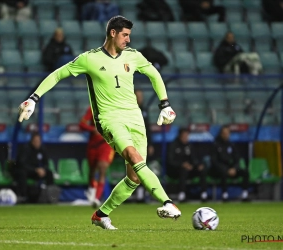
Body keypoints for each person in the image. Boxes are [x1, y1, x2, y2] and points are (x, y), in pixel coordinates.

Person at [18, 15, 181, 230]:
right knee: (133, 156)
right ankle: (167, 202)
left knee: (134, 178)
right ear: (112, 33)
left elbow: (154, 74)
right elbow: (58, 74)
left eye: (129, 35)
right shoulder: (90, 58)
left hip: (135, 118)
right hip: (109, 119)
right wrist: (33, 98)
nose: (128, 40)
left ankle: (100, 214)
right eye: (125, 35)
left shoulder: (133, 56)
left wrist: (165, 104)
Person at [79, 106, 115, 207]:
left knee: (102, 169)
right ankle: (92, 191)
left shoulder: (113, 108)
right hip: (93, 145)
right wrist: (92, 129)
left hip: (106, 145)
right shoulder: (92, 109)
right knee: (92, 171)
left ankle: (97, 198)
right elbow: (81, 124)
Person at [167, 128, 208, 202]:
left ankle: (203, 194)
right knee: (184, 170)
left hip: (190, 169)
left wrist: (198, 165)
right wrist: (182, 164)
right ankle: (181, 194)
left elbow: (194, 159)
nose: (186, 138)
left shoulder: (190, 146)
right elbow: (170, 161)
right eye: (184, 136)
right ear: (180, 136)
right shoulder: (174, 145)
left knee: (202, 169)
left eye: (187, 136)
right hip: (176, 171)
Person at [211, 125, 249, 201]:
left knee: (245, 172)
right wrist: (226, 169)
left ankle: (245, 194)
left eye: (227, 133)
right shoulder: (215, 145)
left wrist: (234, 168)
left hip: (231, 169)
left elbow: (237, 159)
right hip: (219, 170)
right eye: (224, 133)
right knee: (223, 172)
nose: (226, 135)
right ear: (221, 134)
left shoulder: (231, 145)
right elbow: (214, 161)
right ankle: (224, 195)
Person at [14, 132, 54, 202]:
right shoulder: (25, 149)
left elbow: (46, 163)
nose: (37, 143)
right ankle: (24, 197)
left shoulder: (42, 149)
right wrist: (35, 170)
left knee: (49, 173)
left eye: (39, 141)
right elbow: (21, 164)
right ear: (32, 141)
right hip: (27, 171)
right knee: (22, 173)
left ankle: (49, 196)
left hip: (37, 172)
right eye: (35, 141)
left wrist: (43, 169)